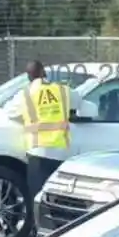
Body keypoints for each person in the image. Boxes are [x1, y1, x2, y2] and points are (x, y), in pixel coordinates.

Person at [19, 61, 71, 192]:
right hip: (61, 152)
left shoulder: (25, 93)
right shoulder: (62, 90)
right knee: (58, 197)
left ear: (28, 76)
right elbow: (81, 103)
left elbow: (9, 111)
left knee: (37, 196)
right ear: (44, 72)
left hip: (37, 151)